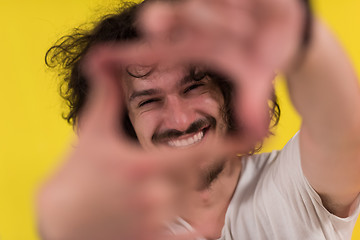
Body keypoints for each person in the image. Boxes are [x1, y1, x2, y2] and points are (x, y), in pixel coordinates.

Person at [38, 0, 360, 239]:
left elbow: (344, 133)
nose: (179, 118)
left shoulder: (293, 184)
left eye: (193, 87)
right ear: (126, 123)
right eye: (150, 100)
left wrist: (302, 40)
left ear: (227, 92)